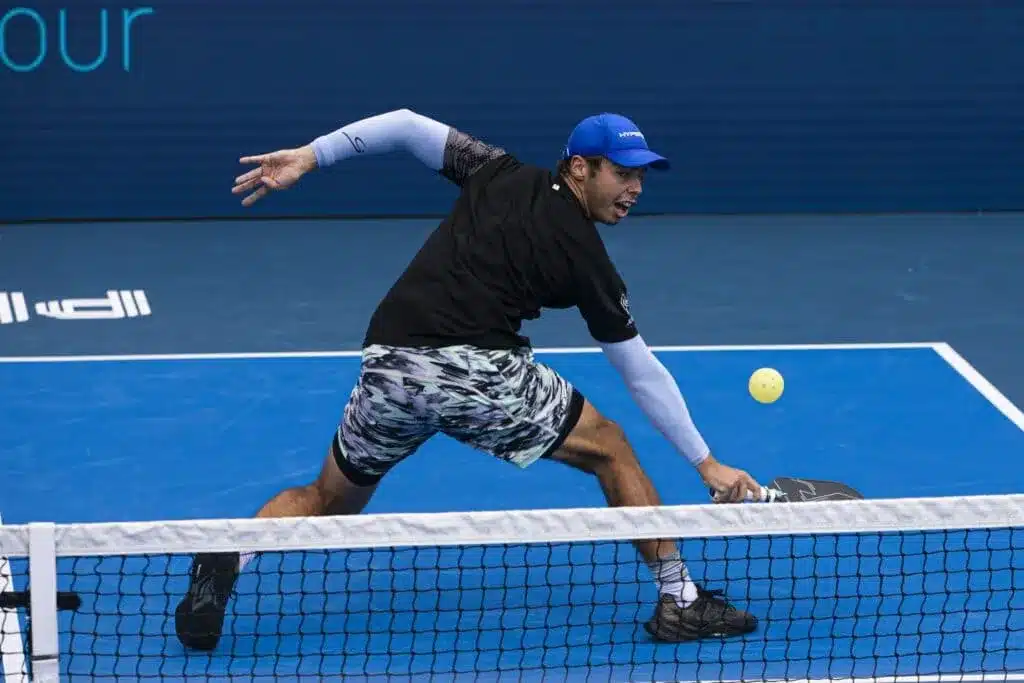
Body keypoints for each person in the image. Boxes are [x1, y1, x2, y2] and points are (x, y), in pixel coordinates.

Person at [174, 108, 763, 651]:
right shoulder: (587, 259)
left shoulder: (494, 170)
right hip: (474, 369)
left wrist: (312, 154)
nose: (635, 188)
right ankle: (680, 601)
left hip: (390, 361)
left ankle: (233, 548)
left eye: (642, 176)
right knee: (609, 448)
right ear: (580, 168)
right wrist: (705, 464)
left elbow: (404, 125)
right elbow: (639, 370)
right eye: (623, 173)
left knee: (327, 499)